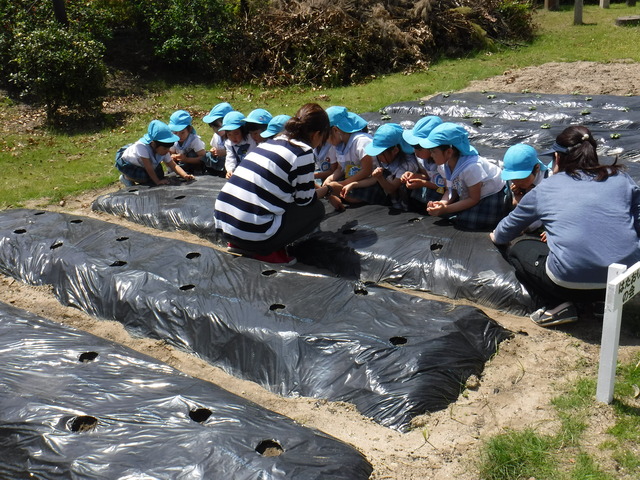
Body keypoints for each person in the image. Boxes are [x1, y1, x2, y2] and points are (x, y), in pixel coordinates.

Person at [490, 125, 640, 327]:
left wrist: (496, 236)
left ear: (557, 158)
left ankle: (558, 305)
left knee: (519, 247)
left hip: (568, 282)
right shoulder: (620, 178)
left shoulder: (547, 188)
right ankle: (602, 303)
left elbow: (505, 231)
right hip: (626, 279)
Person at [214, 103, 334, 264]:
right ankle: (266, 250)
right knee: (316, 210)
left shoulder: (273, 142)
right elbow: (305, 200)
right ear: (317, 134)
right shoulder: (303, 151)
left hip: (225, 224)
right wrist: (329, 190)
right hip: (252, 231)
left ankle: (239, 243)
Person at [422, 122, 511, 231]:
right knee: (450, 213)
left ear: (449, 152)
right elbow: (450, 190)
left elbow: (474, 199)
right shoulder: (443, 165)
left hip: (490, 193)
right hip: (469, 192)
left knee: (470, 222)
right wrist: (442, 203)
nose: (431, 155)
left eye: (433, 151)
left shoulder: (471, 168)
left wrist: (446, 209)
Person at [323, 106, 386, 208]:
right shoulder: (340, 145)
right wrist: (330, 178)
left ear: (335, 130)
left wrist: (343, 184)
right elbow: (340, 168)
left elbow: (367, 171)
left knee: (352, 197)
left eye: (325, 136)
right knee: (336, 189)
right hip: (353, 177)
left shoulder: (361, 142)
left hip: (371, 180)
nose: (325, 141)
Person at [115, 120, 195, 187]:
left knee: (160, 175)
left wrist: (185, 175)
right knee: (145, 178)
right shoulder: (142, 147)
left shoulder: (163, 148)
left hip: (143, 163)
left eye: (168, 148)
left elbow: (173, 165)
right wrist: (157, 182)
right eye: (165, 149)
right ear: (153, 144)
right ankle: (126, 178)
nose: (167, 151)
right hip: (128, 164)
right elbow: (148, 167)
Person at [364, 123, 419, 210]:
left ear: (395, 150)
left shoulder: (408, 164)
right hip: (390, 190)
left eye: (381, 154)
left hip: (406, 193)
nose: (378, 157)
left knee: (405, 186)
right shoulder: (380, 158)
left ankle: (404, 204)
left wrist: (380, 177)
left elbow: (391, 188)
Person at [501, 143, 550, 233]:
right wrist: (517, 198)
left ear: (537, 168)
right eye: (513, 178)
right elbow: (515, 204)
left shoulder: (549, 181)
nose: (518, 182)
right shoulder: (511, 180)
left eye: (522, 178)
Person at [400, 115, 446, 211]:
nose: (416, 153)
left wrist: (424, 184)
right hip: (432, 185)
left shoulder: (444, 163)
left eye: (420, 149)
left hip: (444, 192)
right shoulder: (421, 158)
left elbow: (447, 187)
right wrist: (414, 176)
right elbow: (427, 175)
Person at [219, 111, 257, 178]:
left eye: (236, 134)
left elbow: (251, 157)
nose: (233, 138)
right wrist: (230, 170)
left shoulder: (250, 140)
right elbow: (230, 157)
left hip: (252, 167)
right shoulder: (229, 143)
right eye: (229, 134)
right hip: (240, 168)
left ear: (243, 131)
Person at [168, 110, 207, 174]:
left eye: (182, 133)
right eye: (175, 133)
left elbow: (203, 158)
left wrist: (186, 159)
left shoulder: (194, 140)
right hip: (181, 165)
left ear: (189, 129)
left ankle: (197, 172)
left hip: (194, 165)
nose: (179, 136)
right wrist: (173, 157)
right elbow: (171, 153)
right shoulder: (173, 140)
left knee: (191, 154)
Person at [202, 102, 234, 176]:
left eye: (218, 127)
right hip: (220, 160)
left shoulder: (234, 136)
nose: (215, 130)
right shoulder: (217, 136)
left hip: (231, 161)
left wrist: (225, 152)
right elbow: (214, 146)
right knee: (207, 156)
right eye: (213, 127)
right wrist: (213, 150)